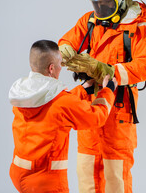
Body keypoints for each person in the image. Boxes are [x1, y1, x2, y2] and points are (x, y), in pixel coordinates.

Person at [59, 0, 146, 193]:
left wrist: (107, 71)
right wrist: (67, 54)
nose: (100, 8)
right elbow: (65, 42)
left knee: (115, 178)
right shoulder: (89, 22)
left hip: (119, 112)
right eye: (97, 3)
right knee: (87, 174)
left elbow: (144, 66)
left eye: (106, 3)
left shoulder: (141, 28)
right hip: (90, 108)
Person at [8, 40, 118, 193]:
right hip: (46, 182)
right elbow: (95, 117)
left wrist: (83, 90)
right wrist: (108, 90)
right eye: (60, 63)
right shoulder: (62, 103)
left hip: (18, 173)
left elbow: (51, 107)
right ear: (51, 68)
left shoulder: (24, 93)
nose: (62, 67)